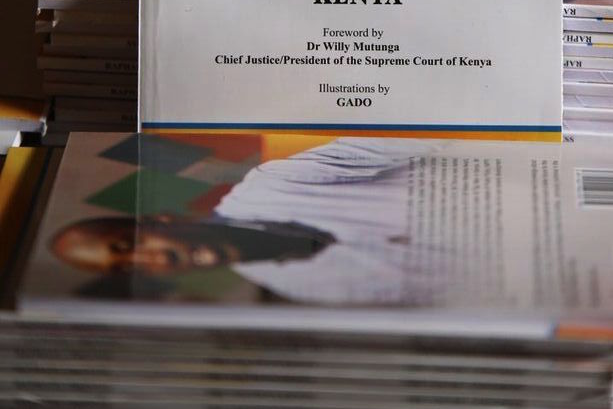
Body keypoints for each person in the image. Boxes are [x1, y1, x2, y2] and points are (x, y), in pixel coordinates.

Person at [51, 138, 459, 305]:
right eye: (128, 268)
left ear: (160, 219)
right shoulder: (302, 288)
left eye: (129, 246)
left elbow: (429, 134)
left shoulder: (275, 183)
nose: (150, 262)